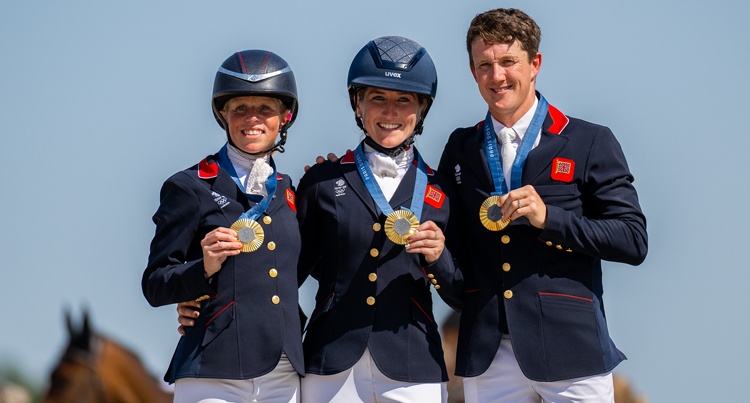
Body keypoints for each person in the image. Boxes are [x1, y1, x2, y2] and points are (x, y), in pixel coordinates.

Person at [437, 8, 648, 403]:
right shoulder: (460, 147)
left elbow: (633, 240)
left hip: (572, 349)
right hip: (486, 352)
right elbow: (449, 232)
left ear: (535, 64)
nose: (497, 76)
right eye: (485, 65)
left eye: (508, 62)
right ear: (472, 71)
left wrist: (549, 218)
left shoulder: (589, 140)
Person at [295, 35, 461, 403]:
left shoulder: (444, 191)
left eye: (404, 100)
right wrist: (207, 301)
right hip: (330, 361)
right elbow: (285, 273)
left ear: (421, 109)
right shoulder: (321, 182)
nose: (390, 112)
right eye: (378, 98)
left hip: (413, 362)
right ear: (358, 103)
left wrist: (439, 257)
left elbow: (465, 293)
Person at [142, 49, 305, 403]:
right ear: (223, 114)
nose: (252, 119)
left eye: (265, 108)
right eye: (240, 109)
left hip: (283, 373)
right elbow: (155, 285)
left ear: (285, 116)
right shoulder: (189, 186)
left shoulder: (293, 191)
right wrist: (204, 269)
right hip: (213, 369)